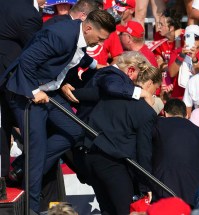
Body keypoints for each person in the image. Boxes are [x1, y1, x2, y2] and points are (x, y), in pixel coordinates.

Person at [0, 10, 116, 213]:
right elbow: (26, 61)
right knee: (37, 153)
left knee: (75, 130)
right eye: (99, 38)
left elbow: (78, 56)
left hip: (49, 92)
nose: (99, 44)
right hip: (26, 94)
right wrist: (34, 92)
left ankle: (22, 165)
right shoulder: (60, 35)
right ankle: (32, 210)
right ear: (88, 28)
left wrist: (102, 66)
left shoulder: (80, 36)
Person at [73, 52, 159, 215]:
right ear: (146, 84)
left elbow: (78, 95)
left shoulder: (105, 96)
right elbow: (144, 152)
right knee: (125, 211)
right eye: (153, 91)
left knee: (107, 210)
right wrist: (145, 186)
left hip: (89, 158)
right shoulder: (144, 111)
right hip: (112, 163)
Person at [0, 0, 43, 178]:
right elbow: (39, 52)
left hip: (8, 79)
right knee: (34, 134)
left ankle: (3, 175)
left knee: (3, 128)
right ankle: (18, 172)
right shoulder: (27, 13)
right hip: (15, 82)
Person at [152, 98, 199, 206]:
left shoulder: (156, 125)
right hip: (193, 196)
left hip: (162, 192)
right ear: (186, 114)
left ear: (165, 114)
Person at [168, 25, 199, 99]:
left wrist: (194, 58)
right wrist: (182, 55)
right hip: (179, 96)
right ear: (184, 39)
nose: (193, 41)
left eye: (196, 38)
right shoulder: (176, 52)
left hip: (198, 96)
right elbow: (171, 73)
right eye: (189, 37)